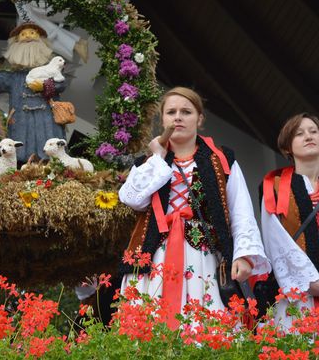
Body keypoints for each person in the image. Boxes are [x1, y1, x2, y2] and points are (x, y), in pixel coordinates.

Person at [118, 87, 269, 329]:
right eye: (171, 112)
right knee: (149, 326)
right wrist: (157, 157)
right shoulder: (148, 162)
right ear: (163, 119)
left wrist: (243, 255)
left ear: (199, 119)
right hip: (155, 256)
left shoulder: (221, 159)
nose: (178, 117)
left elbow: (241, 210)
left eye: (186, 112)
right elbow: (131, 198)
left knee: (205, 325)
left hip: (204, 257)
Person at [260, 113, 319, 330]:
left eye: (314, 131)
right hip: (299, 292)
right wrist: (310, 280)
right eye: (299, 133)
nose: (308, 136)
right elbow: (274, 239)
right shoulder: (273, 186)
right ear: (287, 147)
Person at [0, 22, 68, 164]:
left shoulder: (51, 71)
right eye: (23, 34)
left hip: (47, 117)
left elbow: (61, 83)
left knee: (50, 147)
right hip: (20, 119)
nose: (27, 36)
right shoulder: (13, 77)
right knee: (20, 148)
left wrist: (46, 85)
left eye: (32, 33)